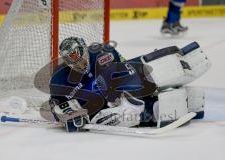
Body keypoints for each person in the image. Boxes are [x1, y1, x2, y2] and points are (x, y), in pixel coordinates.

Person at [47, 37, 211, 132]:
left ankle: (160, 102)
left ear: (84, 49)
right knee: (127, 114)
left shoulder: (104, 53)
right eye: (69, 57)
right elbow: (56, 106)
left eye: (77, 54)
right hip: (98, 111)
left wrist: (120, 94)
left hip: (119, 94)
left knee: (138, 84)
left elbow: (128, 69)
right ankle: (155, 110)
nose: (75, 60)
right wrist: (65, 117)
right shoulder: (58, 79)